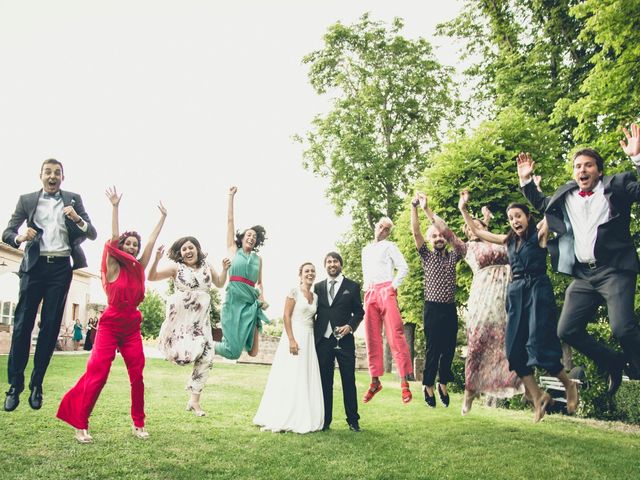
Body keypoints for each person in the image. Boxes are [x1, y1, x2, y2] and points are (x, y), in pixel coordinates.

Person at [518, 123, 640, 396]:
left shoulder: (616, 186)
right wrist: (526, 182)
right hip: (584, 275)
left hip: (614, 271)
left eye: (588, 166)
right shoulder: (568, 194)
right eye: (577, 166)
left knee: (622, 328)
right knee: (567, 329)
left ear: (599, 170)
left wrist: (637, 159)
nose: (582, 170)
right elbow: (542, 204)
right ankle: (614, 362)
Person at [56, 187, 166, 443]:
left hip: (131, 326)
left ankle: (139, 424)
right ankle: (80, 424)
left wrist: (162, 218)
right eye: (127, 243)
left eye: (134, 245)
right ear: (120, 247)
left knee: (137, 375)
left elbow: (150, 243)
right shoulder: (113, 264)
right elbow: (114, 236)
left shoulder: (139, 268)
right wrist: (115, 207)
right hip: (110, 324)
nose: (131, 246)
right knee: (98, 374)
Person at [462, 200, 578, 422]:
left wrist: (532, 188)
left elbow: (551, 211)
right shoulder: (508, 241)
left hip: (537, 291)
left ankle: (568, 384)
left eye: (518, 216)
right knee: (513, 351)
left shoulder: (539, 234)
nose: (515, 221)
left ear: (527, 217)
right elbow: (477, 231)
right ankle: (537, 397)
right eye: (511, 218)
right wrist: (463, 209)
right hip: (516, 294)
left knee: (539, 345)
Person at [3, 158, 97, 412]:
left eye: (57, 173)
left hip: (60, 269)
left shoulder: (73, 199)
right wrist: (21, 236)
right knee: (22, 326)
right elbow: (7, 233)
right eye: (48, 172)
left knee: (50, 327)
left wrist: (77, 218)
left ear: (62, 177)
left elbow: (92, 233)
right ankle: (15, 385)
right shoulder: (27, 200)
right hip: (33, 267)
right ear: (41, 175)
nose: (52, 176)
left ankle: (37, 384)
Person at [457, 191, 524, 415]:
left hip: (507, 296)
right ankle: (469, 393)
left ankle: (517, 386)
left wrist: (485, 222)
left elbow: (483, 231)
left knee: (508, 345)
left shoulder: (501, 240)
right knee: (477, 345)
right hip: (483, 299)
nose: (471, 228)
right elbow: (464, 231)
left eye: (475, 225)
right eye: (467, 227)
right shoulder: (468, 248)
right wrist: (464, 209)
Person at [148, 237, 230, 416]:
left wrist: (224, 270)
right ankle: (173, 350)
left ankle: (194, 401)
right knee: (181, 356)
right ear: (180, 254)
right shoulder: (176, 268)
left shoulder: (207, 266)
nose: (187, 251)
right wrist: (156, 259)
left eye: (190, 247)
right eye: (183, 249)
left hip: (201, 321)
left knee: (207, 357)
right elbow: (151, 277)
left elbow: (220, 283)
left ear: (198, 249)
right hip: (181, 320)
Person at [253, 262, 324, 433]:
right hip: (295, 335)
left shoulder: (316, 297)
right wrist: (291, 339)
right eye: (307, 271)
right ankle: (285, 414)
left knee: (306, 375)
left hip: (309, 337)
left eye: (313, 271)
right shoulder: (294, 291)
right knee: (292, 374)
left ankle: (306, 413)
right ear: (300, 274)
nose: (310, 274)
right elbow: (286, 315)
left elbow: (314, 319)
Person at [410, 192, 464, 408]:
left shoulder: (454, 255)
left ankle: (443, 382)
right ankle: (428, 385)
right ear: (430, 240)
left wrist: (428, 210)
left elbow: (449, 234)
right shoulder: (426, 255)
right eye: (434, 236)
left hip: (449, 309)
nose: (439, 238)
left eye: (440, 236)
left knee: (449, 347)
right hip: (432, 308)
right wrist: (414, 207)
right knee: (434, 348)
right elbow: (415, 232)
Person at [360, 217, 413, 404]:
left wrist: (392, 286)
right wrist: (367, 291)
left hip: (386, 290)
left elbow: (404, 267)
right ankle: (375, 381)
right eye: (381, 226)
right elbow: (366, 272)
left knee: (395, 334)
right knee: (371, 337)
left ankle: (404, 382)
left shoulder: (389, 246)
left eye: (387, 229)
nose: (382, 230)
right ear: (376, 226)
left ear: (389, 233)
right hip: (370, 293)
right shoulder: (365, 250)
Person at [214, 186, 269, 359]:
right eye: (249, 235)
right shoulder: (233, 249)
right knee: (233, 352)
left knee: (253, 352)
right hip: (233, 302)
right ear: (243, 237)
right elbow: (230, 221)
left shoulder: (258, 259)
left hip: (250, 303)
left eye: (254, 237)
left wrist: (262, 298)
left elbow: (260, 283)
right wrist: (230, 196)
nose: (252, 237)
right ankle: (206, 344)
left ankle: (253, 321)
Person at [314, 252, 364, 432]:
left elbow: (359, 312)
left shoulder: (352, 286)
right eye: (328, 261)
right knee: (324, 382)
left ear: (341, 264)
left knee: (348, 380)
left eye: (335, 261)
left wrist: (350, 327)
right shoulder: (318, 287)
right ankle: (325, 420)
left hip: (344, 341)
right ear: (325, 265)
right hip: (323, 341)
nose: (332, 264)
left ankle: (353, 420)